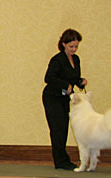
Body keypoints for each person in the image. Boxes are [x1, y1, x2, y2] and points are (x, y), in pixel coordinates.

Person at [42, 29, 85, 170]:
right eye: (71, 46)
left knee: (64, 128)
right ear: (63, 44)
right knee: (57, 128)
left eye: (76, 46)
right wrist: (65, 85)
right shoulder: (57, 59)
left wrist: (80, 82)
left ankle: (63, 159)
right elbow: (49, 78)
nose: (74, 49)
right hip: (52, 97)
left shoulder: (76, 59)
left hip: (64, 98)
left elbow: (72, 78)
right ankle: (60, 161)